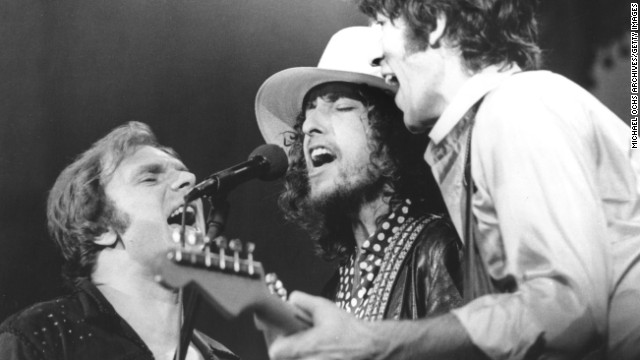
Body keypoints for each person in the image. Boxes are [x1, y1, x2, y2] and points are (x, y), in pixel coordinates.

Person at [267, 1, 640, 359]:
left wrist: (371, 342)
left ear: (435, 26)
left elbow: (567, 313)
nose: (379, 55)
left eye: (381, 24)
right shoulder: (493, 126)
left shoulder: (515, 107)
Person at [255, 26, 463, 323]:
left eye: (340, 106)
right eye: (308, 112)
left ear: (392, 131)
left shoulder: (440, 251)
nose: (308, 127)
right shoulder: (331, 295)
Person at [0, 122, 238, 360]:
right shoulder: (41, 336)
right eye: (150, 178)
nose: (189, 179)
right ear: (100, 227)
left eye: (184, 174)